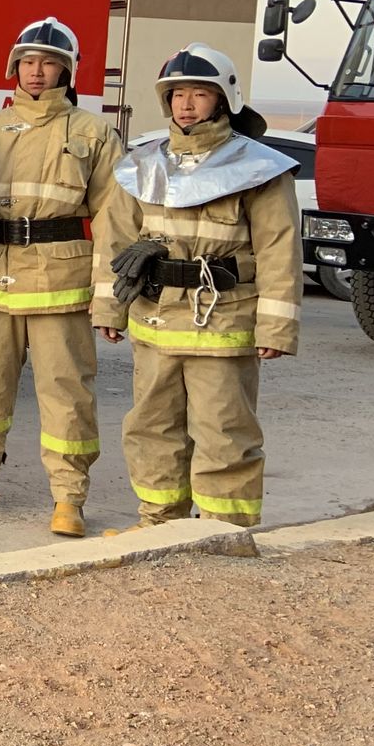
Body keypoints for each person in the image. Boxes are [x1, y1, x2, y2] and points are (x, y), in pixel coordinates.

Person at [90, 45, 301, 529]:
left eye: (199, 94)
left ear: (224, 99)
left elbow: (279, 251)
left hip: (223, 321)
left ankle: (224, 529)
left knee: (224, 429)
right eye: (177, 94)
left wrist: (276, 327)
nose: (186, 104)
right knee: (151, 427)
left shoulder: (259, 169)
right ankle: (159, 521)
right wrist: (108, 310)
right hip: (155, 319)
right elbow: (114, 242)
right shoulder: (141, 166)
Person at [0, 18, 121, 537]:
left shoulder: (93, 131)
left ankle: (69, 497)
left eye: (48, 62)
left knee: (66, 394)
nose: (37, 71)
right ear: (13, 68)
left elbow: (116, 219)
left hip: (60, 286)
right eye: (27, 62)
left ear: (66, 70)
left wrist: (109, 299)